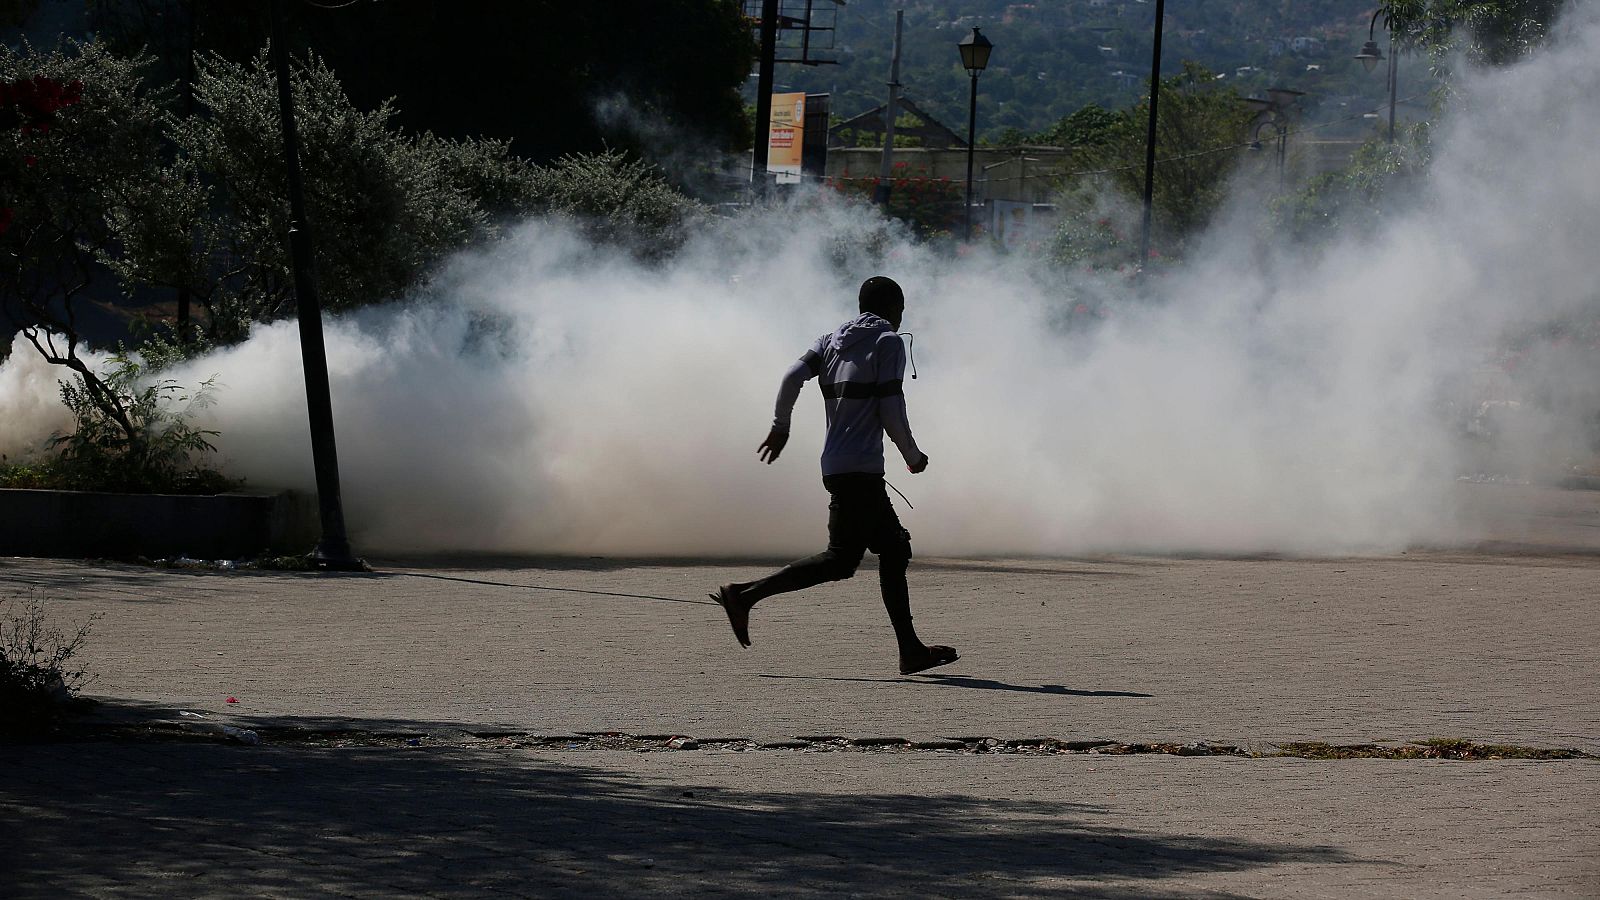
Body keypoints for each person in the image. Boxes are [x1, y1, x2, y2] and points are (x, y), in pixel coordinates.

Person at [709, 276, 958, 676]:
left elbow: (792, 377)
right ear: (893, 308)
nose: (902, 316)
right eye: (901, 308)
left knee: (893, 548)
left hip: (838, 465)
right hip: (860, 470)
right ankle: (744, 595)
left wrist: (781, 426)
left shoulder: (828, 341)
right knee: (842, 559)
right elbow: (891, 407)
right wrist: (912, 455)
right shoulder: (889, 343)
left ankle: (911, 650)